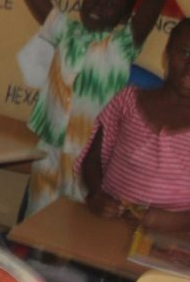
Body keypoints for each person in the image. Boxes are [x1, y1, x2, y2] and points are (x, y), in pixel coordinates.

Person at [17, 0, 169, 215]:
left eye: (111, 4)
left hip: (92, 161)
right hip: (50, 151)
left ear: (125, 16)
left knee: (77, 229)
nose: (98, 6)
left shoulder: (123, 44)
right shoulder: (65, 31)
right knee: (36, 227)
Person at [77, 18, 190, 233]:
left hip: (176, 237)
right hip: (110, 225)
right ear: (166, 55)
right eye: (184, 53)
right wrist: (96, 195)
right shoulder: (128, 100)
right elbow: (92, 158)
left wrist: (166, 221)